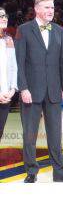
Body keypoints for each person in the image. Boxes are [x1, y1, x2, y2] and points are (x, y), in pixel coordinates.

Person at [15, 0, 63, 183]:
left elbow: (62, 61)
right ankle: (31, 171)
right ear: (36, 9)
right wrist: (23, 88)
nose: (50, 11)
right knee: (30, 134)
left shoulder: (59, 30)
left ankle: (59, 172)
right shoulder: (23, 30)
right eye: (46, 7)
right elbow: (19, 62)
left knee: (55, 134)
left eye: (52, 7)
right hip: (31, 91)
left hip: (54, 91)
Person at [0, 8, 17, 141]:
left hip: (6, 96)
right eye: (0, 16)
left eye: (5, 15)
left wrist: (12, 89)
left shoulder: (9, 40)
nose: (4, 18)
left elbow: (13, 67)